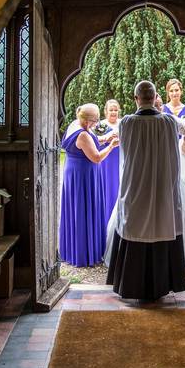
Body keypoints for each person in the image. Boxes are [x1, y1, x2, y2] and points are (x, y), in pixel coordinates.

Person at [106, 80, 185, 300]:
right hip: (163, 189)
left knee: (135, 226)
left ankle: (132, 285)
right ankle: (162, 285)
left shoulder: (126, 123)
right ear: (155, 98)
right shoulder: (169, 122)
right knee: (161, 223)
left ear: (136, 99)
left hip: (136, 189)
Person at [59, 103, 118, 267]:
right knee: (83, 209)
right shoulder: (83, 134)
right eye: (95, 119)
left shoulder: (74, 124)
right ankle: (84, 253)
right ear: (87, 120)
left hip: (75, 173)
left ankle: (72, 249)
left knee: (77, 210)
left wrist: (104, 138)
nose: (97, 122)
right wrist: (111, 146)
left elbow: (88, 141)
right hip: (83, 176)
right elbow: (96, 157)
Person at [97, 99, 122, 228]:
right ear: (105, 111)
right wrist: (106, 139)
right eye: (111, 110)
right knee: (106, 189)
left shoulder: (123, 124)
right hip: (105, 162)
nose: (113, 112)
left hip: (119, 161)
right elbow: (95, 144)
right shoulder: (101, 126)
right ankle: (105, 222)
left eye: (115, 110)